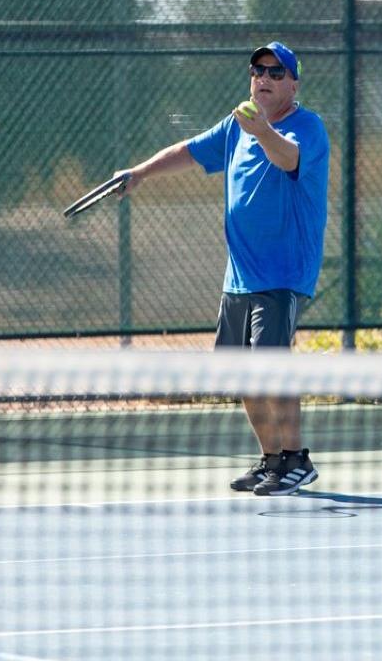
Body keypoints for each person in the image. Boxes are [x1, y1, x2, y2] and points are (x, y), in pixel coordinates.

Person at [114, 41, 330, 497]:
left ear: (293, 83)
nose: (265, 79)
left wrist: (260, 129)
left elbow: (287, 157)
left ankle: (297, 460)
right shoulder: (236, 128)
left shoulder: (307, 128)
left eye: (276, 73)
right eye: (258, 71)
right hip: (239, 275)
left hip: (283, 273)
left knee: (272, 367)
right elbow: (190, 151)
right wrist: (140, 173)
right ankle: (272, 458)